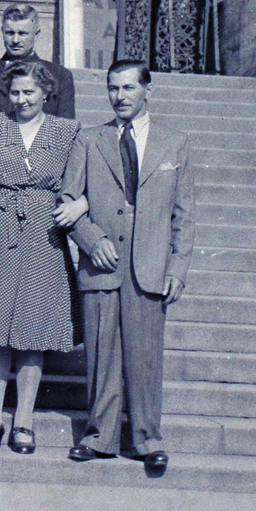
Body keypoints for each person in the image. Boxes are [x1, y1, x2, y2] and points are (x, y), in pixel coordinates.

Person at [63, 60, 195, 474]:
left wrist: (177, 267)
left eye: (128, 88)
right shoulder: (89, 140)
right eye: (112, 88)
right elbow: (67, 202)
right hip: (102, 262)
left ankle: (146, 439)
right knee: (102, 353)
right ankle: (98, 435)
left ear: (147, 91)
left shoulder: (175, 143)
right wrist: (91, 238)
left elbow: (184, 214)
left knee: (144, 356)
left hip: (150, 263)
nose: (119, 97)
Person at [0, 60, 84, 455]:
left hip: (44, 234)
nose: (21, 100)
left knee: (33, 331)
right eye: (15, 92)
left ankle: (24, 423)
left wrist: (82, 202)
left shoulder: (66, 131)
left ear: (46, 93)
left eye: (29, 92)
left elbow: (85, 181)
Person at [0, 4, 76, 122]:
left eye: (22, 33)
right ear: (2, 32)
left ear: (36, 34)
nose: (15, 41)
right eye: (10, 33)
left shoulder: (60, 76)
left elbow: (66, 128)